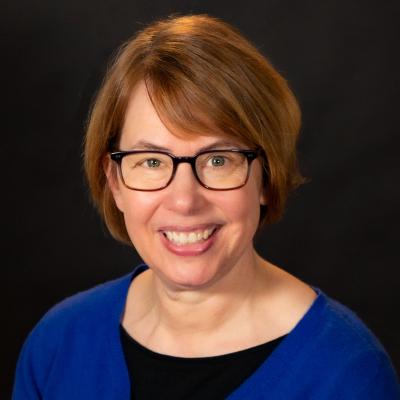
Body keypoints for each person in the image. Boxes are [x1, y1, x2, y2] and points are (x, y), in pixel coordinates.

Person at [13, 14, 399, 400]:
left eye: (218, 160)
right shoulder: (58, 343)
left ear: (265, 176)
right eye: (151, 161)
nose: (184, 200)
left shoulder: (347, 374)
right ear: (114, 181)